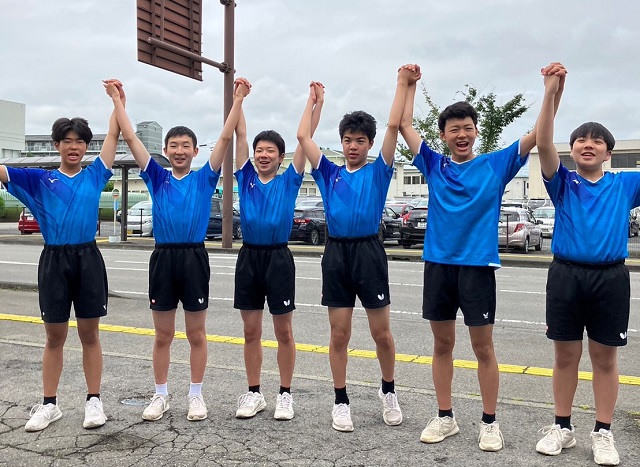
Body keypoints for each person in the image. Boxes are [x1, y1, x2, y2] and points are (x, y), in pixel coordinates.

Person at [399, 62, 566, 451]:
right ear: (443, 135)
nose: (462, 134)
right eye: (453, 129)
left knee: (483, 348)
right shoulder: (434, 165)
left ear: (476, 131)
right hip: (439, 266)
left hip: (477, 269)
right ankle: (445, 417)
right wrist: (408, 84)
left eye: (467, 128)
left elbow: (540, 134)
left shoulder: (495, 164)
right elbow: (405, 125)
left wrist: (551, 91)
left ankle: (489, 422)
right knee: (442, 345)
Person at [106, 78, 251, 422]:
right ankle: (160, 395)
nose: (180, 150)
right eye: (174, 145)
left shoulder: (204, 178)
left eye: (186, 145)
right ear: (166, 150)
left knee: (196, 333)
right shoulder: (157, 177)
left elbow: (225, 138)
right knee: (163, 334)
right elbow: (131, 138)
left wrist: (238, 100)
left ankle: (196, 395)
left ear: (196, 151)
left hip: (194, 258)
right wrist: (118, 102)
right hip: (163, 258)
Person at [0, 82, 123, 431]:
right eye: (67, 141)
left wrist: (117, 101)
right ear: (56, 145)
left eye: (80, 141)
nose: (74, 146)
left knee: (89, 334)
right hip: (54, 260)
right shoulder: (39, 180)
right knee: (54, 335)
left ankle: (94, 401)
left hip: (88, 259)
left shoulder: (95, 174)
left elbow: (114, 135)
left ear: (86, 147)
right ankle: (49, 404)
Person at [296, 70, 412, 432]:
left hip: (369, 252)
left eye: (360, 141)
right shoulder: (329, 173)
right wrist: (315, 103)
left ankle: (388, 391)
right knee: (339, 333)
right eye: (347, 140)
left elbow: (393, 126)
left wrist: (402, 84)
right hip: (336, 253)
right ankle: (340, 400)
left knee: (382, 333)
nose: (352, 146)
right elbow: (303, 136)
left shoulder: (379, 171)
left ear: (370, 144)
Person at [534, 70, 634, 467]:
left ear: (608, 153)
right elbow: (543, 141)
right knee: (565, 355)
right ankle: (562, 426)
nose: (588, 145)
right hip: (566, 275)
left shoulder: (624, 185)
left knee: (605, 359)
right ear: (572, 150)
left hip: (611, 278)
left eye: (597, 141)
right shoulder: (562, 183)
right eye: (580, 140)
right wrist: (550, 92)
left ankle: (603, 431)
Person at [232, 81, 323, 421]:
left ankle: (285, 394)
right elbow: (240, 134)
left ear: (280, 157)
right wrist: (239, 99)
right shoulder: (245, 177)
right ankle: (254, 392)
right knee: (251, 331)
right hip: (249, 257)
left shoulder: (289, 179)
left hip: (279, 258)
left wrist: (314, 103)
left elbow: (306, 138)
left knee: (283, 331)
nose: (263, 155)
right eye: (259, 150)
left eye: (270, 151)